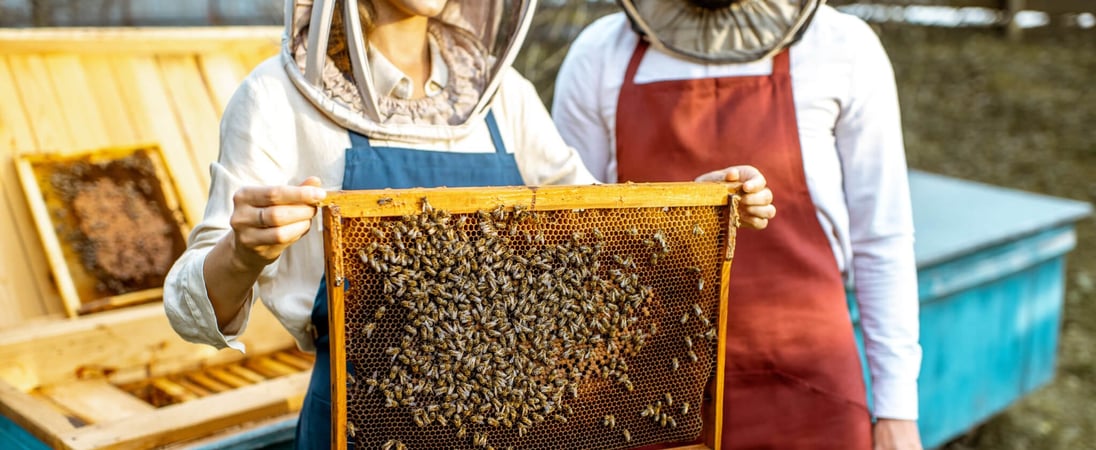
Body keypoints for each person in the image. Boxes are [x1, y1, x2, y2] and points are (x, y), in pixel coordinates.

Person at [163, 1, 775, 448]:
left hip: (522, 427)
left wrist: (692, 210)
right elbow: (190, 309)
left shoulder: (502, 95)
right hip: (358, 428)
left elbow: (600, 231)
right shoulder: (275, 97)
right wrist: (243, 253)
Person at [552, 1, 923, 449]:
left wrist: (897, 411)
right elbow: (569, 239)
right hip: (643, 398)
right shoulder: (599, 53)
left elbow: (881, 239)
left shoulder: (843, 47)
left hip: (809, 393)